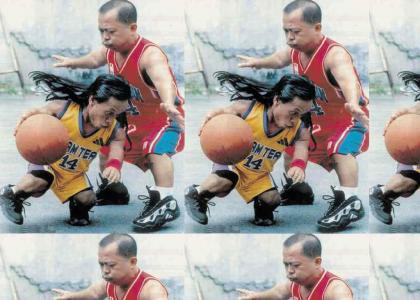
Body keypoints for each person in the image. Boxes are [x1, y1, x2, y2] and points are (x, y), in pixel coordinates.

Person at [236, 0, 368, 230]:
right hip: (316, 120)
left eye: (295, 32)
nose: (289, 37)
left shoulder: (333, 55)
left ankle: (349, 201)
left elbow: (348, 79)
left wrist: (354, 102)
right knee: (290, 150)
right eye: (286, 31)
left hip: (348, 119)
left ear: (317, 28)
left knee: (340, 150)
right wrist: (258, 62)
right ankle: (299, 191)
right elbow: (278, 59)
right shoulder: (296, 51)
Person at [52, 0, 184, 230]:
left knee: (155, 150)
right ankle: (114, 191)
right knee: (106, 149)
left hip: (163, 118)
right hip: (130, 118)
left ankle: (165, 201)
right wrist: (73, 62)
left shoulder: (149, 55)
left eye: (110, 31)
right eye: (101, 31)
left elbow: (163, 78)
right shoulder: (111, 50)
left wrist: (167, 102)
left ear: (132, 28)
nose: (105, 37)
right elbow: (94, 59)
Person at [185, 71, 316, 226]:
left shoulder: (298, 129)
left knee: (273, 199)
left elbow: (302, 144)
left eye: (301, 115)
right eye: (293, 113)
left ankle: (261, 208)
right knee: (225, 182)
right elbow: (224, 112)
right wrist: (212, 115)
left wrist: (298, 166)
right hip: (232, 162)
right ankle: (197, 193)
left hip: (257, 174)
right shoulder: (249, 110)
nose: (295, 119)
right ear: (277, 100)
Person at [0, 72, 130, 226]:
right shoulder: (64, 109)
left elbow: (117, 145)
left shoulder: (113, 129)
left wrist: (114, 165)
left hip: (73, 174)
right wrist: (30, 116)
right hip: (48, 163)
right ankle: (12, 194)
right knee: (38, 182)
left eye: (116, 115)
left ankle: (76, 206)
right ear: (92, 101)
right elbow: (40, 113)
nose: (111, 120)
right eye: (109, 113)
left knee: (88, 199)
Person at [236, 233, 354, 300]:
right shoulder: (297, 284)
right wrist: (255, 297)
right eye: (286, 264)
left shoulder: (336, 291)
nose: (289, 271)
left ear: (317, 262)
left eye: (295, 265)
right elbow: (279, 293)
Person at [52, 233, 168, 300]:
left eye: (111, 265)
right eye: (101, 264)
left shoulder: (152, 291)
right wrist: (71, 296)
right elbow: (95, 293)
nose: (105, 271)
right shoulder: (112, 282)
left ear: (132, 262)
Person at [370, 71, 420, 225]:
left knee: (410, 183)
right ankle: (381, 193)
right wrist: (408, 113)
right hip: (411, 145)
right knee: (410, 182)